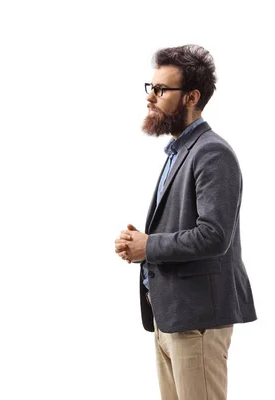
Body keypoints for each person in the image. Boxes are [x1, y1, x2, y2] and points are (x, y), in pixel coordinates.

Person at [113, 45, 256, 400]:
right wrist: (140, 243)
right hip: (171, 316)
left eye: (162, 90)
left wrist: (150, 246)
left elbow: (214, 235)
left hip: (198, 321)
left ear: (191, 96)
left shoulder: (212, 152)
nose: (151, 97)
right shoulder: (181, 151)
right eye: (151, 87)